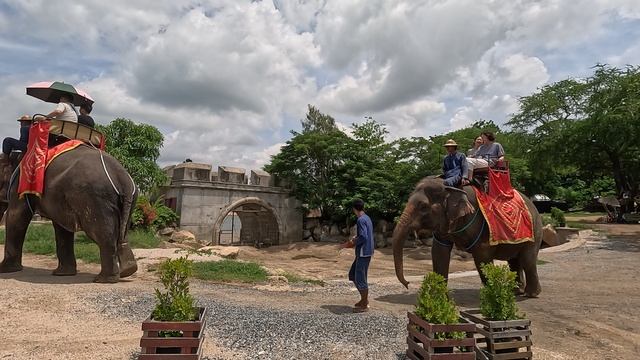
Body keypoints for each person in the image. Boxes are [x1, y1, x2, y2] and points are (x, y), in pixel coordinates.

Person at [340, 199, 374, 312]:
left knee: (360, 277)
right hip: (365, 251)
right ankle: (364, 299)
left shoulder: (360, 220)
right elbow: (364, 235)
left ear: (354, 209)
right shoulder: (367, 218)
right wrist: (356, 239)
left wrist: (352, 242)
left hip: (363, 252)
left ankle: (364, 304)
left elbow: (364, 237)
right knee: (353, 275)